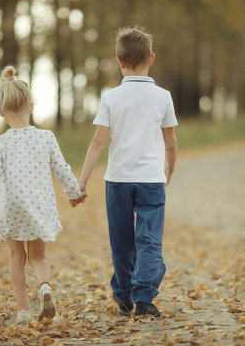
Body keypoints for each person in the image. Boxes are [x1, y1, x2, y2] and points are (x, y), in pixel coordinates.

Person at [73, 27, 178, 317]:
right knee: (150, 240)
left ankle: (123, 293)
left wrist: (82, 182)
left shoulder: (110, 98)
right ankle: (144, 296)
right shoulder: (163, 97)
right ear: (152, 59)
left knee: (121, 241)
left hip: (117, 181)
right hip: (150, 181)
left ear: (119, 60)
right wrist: (170, 168)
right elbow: (171, 142)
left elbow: (97, 143)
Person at [0, 66, 87, 325]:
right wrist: (74, 192)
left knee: (17, 257)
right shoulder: (46, 138)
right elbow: (61, 168)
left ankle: (23, 310)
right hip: (39, 206)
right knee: (38, 257)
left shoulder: (0, 144)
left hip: (12, 208)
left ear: (0, 111)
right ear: (31, 106)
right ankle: (44, 286)